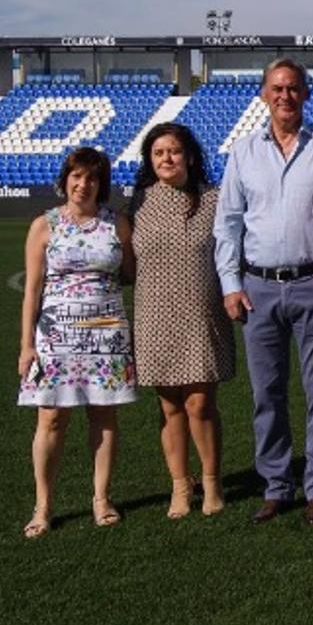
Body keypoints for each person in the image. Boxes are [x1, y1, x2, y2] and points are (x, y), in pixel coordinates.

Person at [213, 58, 313, 526]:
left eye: (293, 88)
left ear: (306, 94)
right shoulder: (243, 152)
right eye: (276, 88)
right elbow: (228, 224)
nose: (285, 96)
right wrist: (231, 284)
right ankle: (276, 484)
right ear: (263, 95)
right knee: (267, 393)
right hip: (259, 288)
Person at [17, 147, 137, 537]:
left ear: (101, 184)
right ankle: (43, 505)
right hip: (56, 336)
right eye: (77, 176)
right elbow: (31, 291)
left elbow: (132, 273)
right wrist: (26, 345)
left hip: (106, 332)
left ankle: (101, 498)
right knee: (51, 417)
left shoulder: (117, 224)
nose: (83, 184)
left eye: (92, 178)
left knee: (104, 415)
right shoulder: (44, 225)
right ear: (66, 179)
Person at [129, 122, 234, 519]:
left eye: (173, 151)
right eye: (158, 153)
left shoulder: (214, 198)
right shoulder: (137, 203)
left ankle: (211, 481)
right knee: (170, 405)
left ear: (189, 156)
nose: (166, 159)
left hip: (200, 312)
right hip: (153, 313)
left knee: (201, 403)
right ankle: (179, 485)